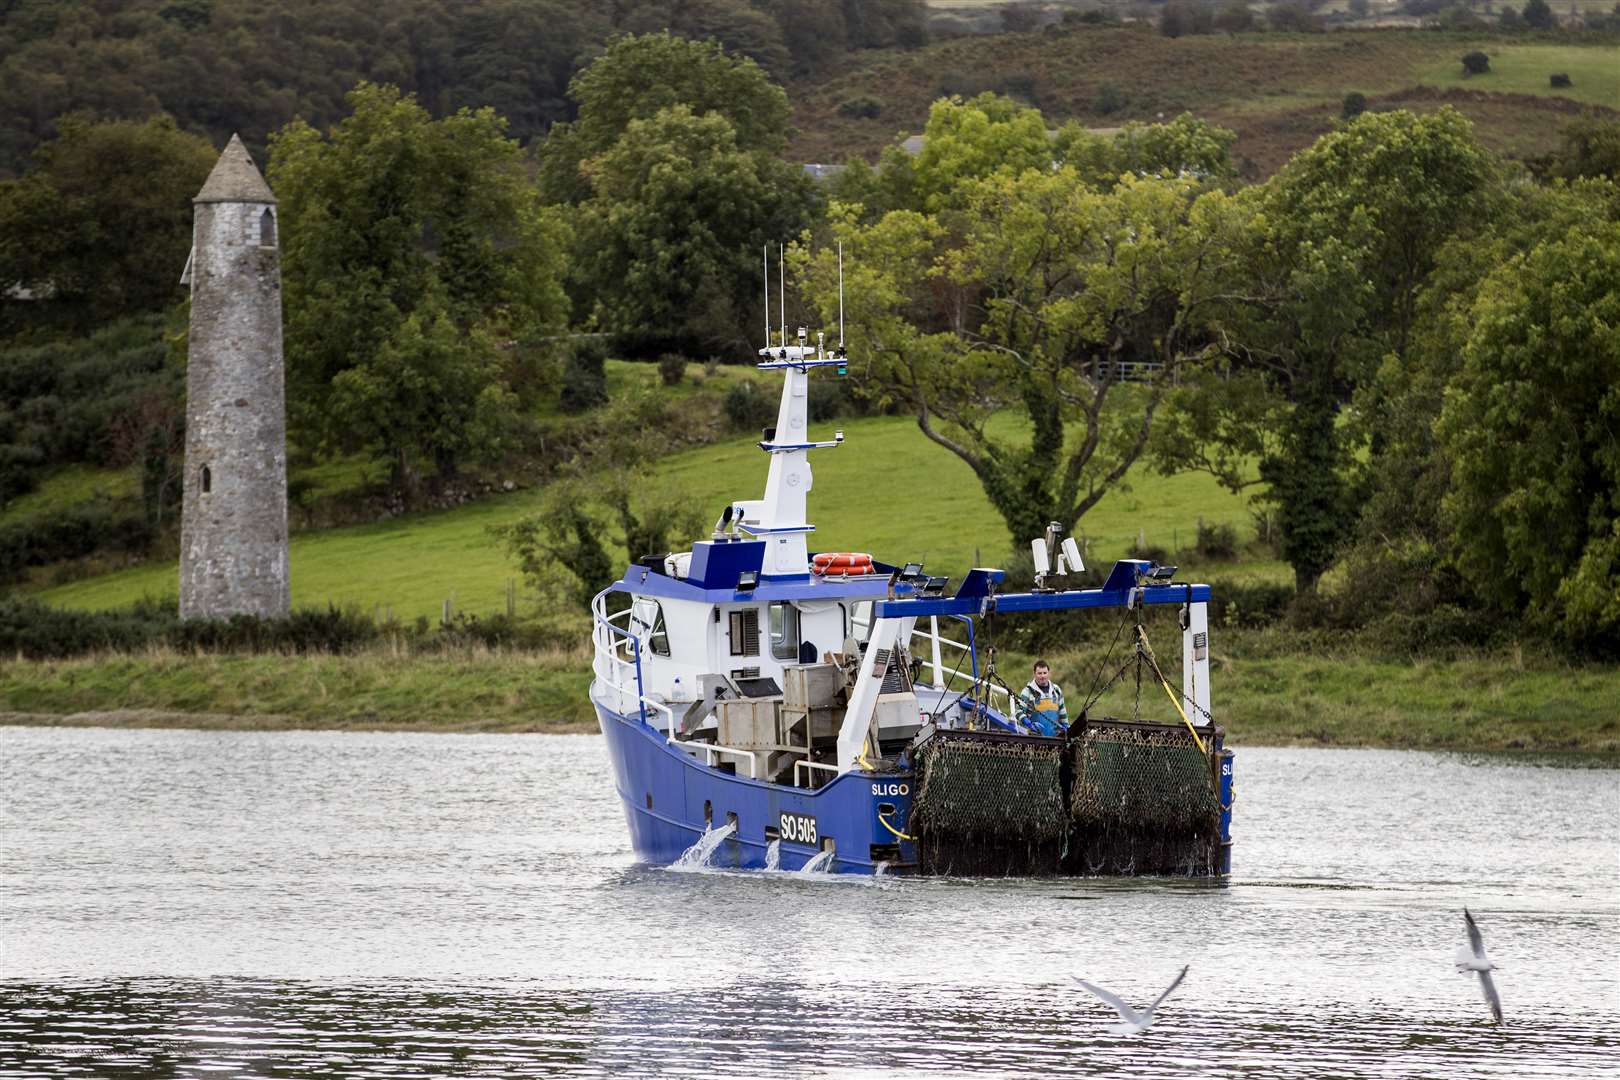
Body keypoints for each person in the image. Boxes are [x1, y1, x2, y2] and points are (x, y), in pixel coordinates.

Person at [1017, 660, 1068, 737]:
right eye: (1039, 673)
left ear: (1049, 673)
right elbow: (1018, 711)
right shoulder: (1027, 692)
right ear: (1034, 674)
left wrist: (1066, 726)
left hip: (1056, 739)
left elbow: (1062, 712)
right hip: (1034, 738)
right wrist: (1028, 723)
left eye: (1045, 673)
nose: (1042, 676)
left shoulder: (1056, 690)